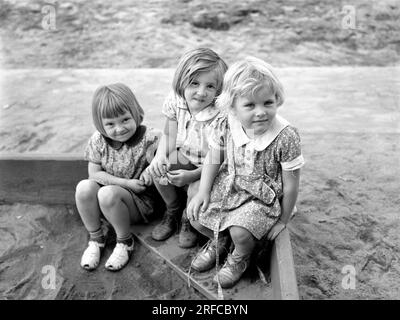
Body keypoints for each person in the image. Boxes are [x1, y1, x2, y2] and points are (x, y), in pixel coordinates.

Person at [187, 56, 305, 289]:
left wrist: (283, 220)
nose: (261, 112)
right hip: (230, 184)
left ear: (276, 99)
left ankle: (240, 256)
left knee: (240, 232)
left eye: (267, 103)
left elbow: (291, 185)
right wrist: (203, 191)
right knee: (196, 213)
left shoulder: (285, 136)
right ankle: (219, 241)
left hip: (262, 197)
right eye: (250, 105)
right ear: (232, 106)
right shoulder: (226, 123)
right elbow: (214, 156)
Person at [147, 48, 228, 248]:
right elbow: (169, 134)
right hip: (186, 155)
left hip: (210, 168)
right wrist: (160, 158)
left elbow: (219, 159)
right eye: (194, 83)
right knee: (157, 167)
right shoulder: (176, 100)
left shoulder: (219, 115)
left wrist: (192, 176)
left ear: (219, 89)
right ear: (182, 80)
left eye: (210, 86)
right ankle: (173, 209)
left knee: (195, 189)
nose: (201, 92)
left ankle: (187, 218)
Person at [75, 83, 160, 271]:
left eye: (125, 119)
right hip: (112, 197)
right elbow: (94, 174)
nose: (119, 128)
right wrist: (126, 183)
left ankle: (124, 242)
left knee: (107, 194)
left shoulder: (151, 138)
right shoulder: (98, 140)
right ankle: (96, 239)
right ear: (100, 123)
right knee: (84, 187)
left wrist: (152, 167)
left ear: (136, 112)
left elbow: (168, 152)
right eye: (110, 124)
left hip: (140, 203)